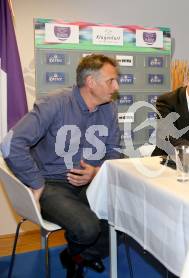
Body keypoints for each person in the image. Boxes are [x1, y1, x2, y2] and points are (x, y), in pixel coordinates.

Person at [0, 54, 121, 277]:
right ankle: (78, 256)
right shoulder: (55, 103)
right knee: (87, 228)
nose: (116, 86)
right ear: (91, 83)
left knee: (127, 217)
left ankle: (77, 256)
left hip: (90, 183)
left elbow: (115, 152)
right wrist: (35, 183)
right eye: (110, 80)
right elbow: (11, 143)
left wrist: (95, 172)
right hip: (51, 184)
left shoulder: (109, 109)